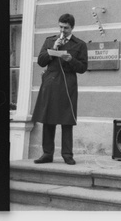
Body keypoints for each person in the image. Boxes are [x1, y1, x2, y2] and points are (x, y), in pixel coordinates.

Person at [32, 14, 88, 165]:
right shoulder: (50, 40)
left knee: (66, 119)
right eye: (61, 27)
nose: (63, 30)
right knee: (48, 118)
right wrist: (53, 48)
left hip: (67, 83)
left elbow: (83, 68)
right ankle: (47, 153)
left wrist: (71, 60)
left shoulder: (80, 44)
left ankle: (67, 154)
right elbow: (41, 61)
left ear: (72, 28)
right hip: (50, 83)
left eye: (66, 28)